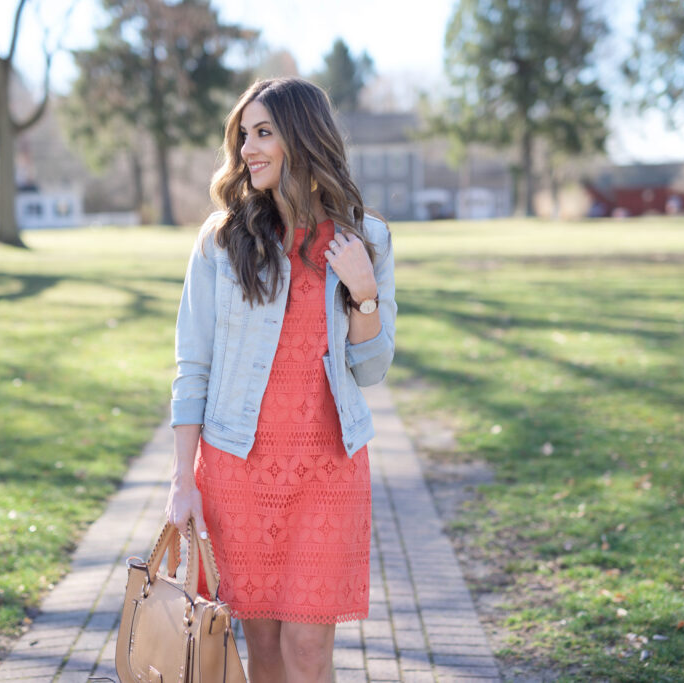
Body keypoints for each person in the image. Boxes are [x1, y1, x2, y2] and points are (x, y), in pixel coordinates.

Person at [165, 77, 396, 683]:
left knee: (308, 653)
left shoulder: (364, 238)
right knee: (262, 651)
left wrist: (363, 292)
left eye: (263, 132)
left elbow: (371, 369)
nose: (248, 148)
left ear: (302, 136)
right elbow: (193, 365)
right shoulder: (222, 240)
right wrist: (181, 483)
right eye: (244, 135)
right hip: (237, 466)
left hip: (328, 469)